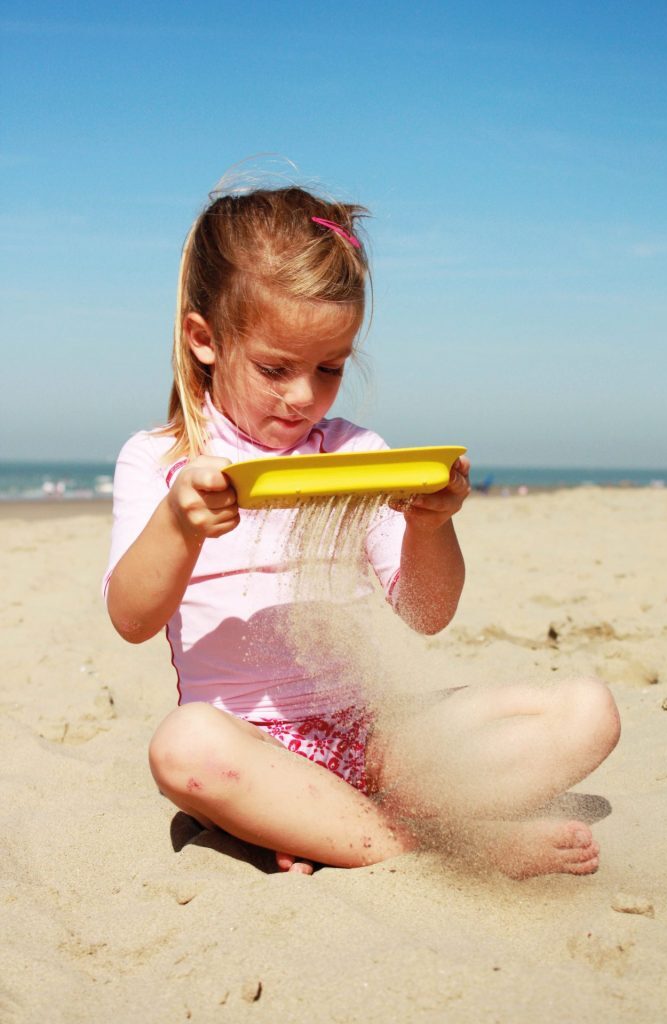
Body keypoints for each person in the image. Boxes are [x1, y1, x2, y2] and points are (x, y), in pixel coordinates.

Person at [104, 182, 620, 877]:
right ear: (204, 340)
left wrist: (431, 526)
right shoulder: (162, 460)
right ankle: (432, 846)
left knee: (588, 710)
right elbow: (132, 620)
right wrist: (179, 525)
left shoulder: (354, 451)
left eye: (330, 368)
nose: (303, 396)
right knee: (183, 748)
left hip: (373, 735)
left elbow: (425, 614)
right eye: (274, 368)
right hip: (253, 748)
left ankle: (340, 827)